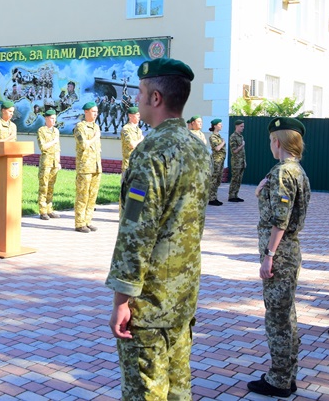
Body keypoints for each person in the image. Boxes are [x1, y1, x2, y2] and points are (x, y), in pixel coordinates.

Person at [106, 57, 211, 400]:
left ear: (155, 98)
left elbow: (137, 233)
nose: (136, 98)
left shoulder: (150, 153)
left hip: (150, 302)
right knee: (179, 387)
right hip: (182, 293)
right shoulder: (199, 148)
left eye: (140, 91)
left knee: (146, 391)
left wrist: (122, 299)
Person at [247, 117, 310, 398]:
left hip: (280, 253)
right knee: (287, 316)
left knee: (277, 319)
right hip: (289, 250)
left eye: (271, 140)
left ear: (277, 141)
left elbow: (280, 220)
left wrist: (269, 255)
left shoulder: (283, 172)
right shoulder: (297, 170)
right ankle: (287, 374)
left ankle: (279, 379)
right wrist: (262, 192)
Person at [74, 101, 102, 233]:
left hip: (96, 166)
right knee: (83, 195)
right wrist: (95, 138)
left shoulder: (96, 126)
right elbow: (83, 144)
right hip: (85, 167)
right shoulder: (80, 127)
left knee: (92, 196)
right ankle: (80, 223)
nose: (96, 114)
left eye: (97, 112)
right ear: (86, 112)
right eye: (93, 111)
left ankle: (88, 221)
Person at [37, 109, 61, 220]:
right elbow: (43, 147)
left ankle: (49, 209)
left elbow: (58, 148)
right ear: (46, 118)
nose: (53, 120)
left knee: (51, 186)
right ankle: (42, 211)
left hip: (55, 162)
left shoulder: (56, 131)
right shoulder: (41, 130)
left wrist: (59, 162)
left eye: (54, 118)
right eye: (51, 118)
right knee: (44, 186)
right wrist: (53, 141)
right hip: (46, 163)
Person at [120, 106, 144, 174]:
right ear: (130, 116)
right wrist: (141, 139)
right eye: (137, 114)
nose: (139, 116)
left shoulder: (139, 130)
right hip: (129, 165)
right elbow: (131, 145)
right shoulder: (126, 129)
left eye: (139, 114)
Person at [208, 118, 226, 206]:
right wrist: (223, 142)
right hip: (216, 160)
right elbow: (217, 148)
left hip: (221, 160)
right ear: (215, 126)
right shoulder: (212, 137)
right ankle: (211, 198)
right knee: (214, 179)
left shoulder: (219, 136)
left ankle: (214, 197)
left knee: (218, 180)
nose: (221, 125)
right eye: (219, 124)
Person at [229, 119, 247, 202]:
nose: (243, 128)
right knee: (235, 179)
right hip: (236, 162)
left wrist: (244, 161)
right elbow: (234, 151)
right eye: (241, 126)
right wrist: (242, 145)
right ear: (236, 126)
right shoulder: (233, 136)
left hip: (241, 162)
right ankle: (231, 196)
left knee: (239, 179)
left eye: (243, 126)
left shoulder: (241, 136)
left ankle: (236, 195)